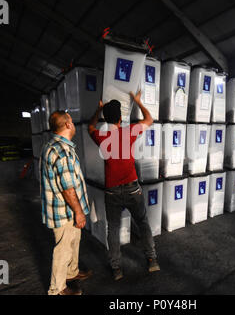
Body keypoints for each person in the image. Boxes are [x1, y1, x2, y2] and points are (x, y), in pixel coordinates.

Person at [88, 91, 160, 281]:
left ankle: (117, 269)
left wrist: (98, 109)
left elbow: (90, 126)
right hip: (132, 189)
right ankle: (152, 260)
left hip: (111, 191)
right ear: (121, 118)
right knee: (142, 223)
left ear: (106, 119)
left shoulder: (101, 136)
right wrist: (137, 101)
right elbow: (149, 119)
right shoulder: (129, 132)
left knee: (113, 228)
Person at [40, 111, 93, 295]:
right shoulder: (62, 151)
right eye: (71, 121)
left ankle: (71, 272)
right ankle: (57, 288)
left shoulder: (54, 145)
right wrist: (78, 211)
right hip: (65, 211)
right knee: (63, 249)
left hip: (66, 209)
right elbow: (68, 188)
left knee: (73, 241)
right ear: (68, 125)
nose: (74, 124)